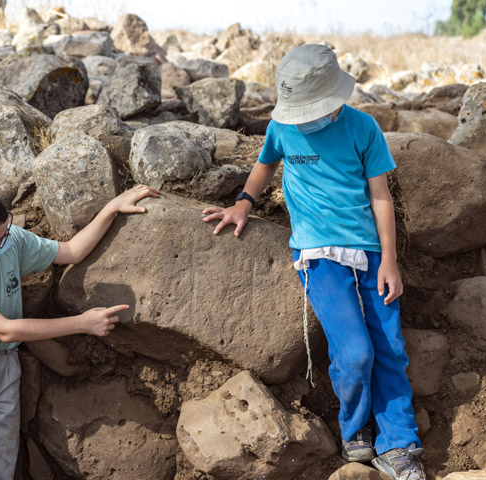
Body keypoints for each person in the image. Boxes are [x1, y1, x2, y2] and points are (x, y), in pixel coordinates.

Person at [202, 44, 425, 480]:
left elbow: (380, 196)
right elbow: (265, 166)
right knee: (357, 353)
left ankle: (400, 444)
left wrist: (390, 260)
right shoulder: (282, 128)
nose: (306, 118)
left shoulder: (364, 128)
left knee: (390, 349)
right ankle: (355, 427)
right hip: (318, 256)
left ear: (335, 99)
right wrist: (244, 203)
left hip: (371, 253)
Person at [0, 182, 158, 480]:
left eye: (7, 230)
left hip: (5, 366)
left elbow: (72, 251)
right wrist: (82, 324)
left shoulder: (7, 240)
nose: (9, 240)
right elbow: (6, 330)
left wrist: (111, 207)